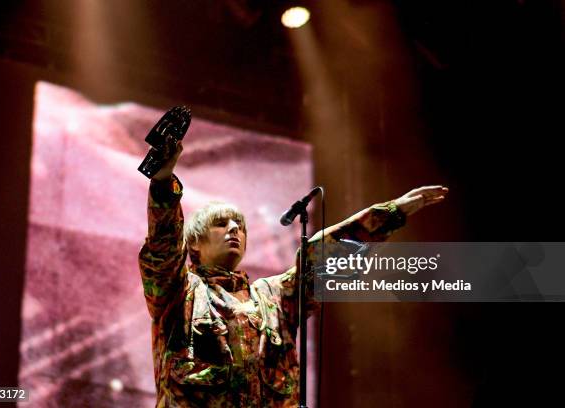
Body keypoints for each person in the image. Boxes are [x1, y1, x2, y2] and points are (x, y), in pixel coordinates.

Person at [139, 142, 448, 407]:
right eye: (221, 224)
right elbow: (163, 249)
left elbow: (324, 255)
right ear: (193, 243)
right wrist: (163, 182)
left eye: (240, 226)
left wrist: (391, 213)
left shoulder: (273, 297)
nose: (234, 229)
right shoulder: (179, 293)